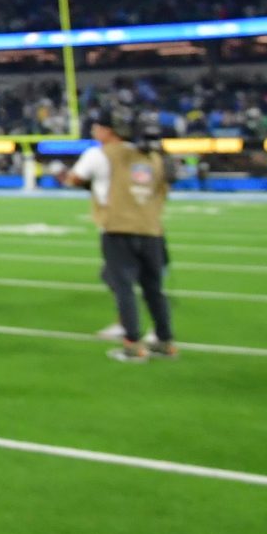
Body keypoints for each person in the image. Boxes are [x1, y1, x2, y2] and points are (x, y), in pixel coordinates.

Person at [66, 112, 177, 362]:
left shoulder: (100, 154)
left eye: (97, 127)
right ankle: (165, 341)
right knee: (154, 289)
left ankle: (132, 344)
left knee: (124, 287)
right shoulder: (152, 156)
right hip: (151, 229)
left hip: (118, 227)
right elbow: (164, 189)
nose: (94, 132)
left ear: (109, 130)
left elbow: (75, 178)